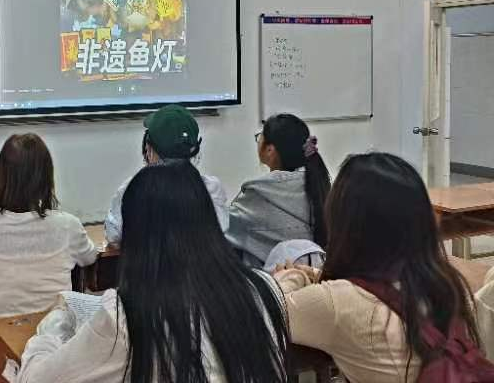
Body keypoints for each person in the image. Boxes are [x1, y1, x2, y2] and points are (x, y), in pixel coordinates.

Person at [18, 161, 289, 383]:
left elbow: (36, 379)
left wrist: (55, 324)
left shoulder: (128, 318)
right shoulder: (265, 290)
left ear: (137, 237)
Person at [274, 152, 481, 383]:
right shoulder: (446, 283)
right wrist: (315, 275)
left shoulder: (338, 304)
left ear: (346, 224)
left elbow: (267, 311)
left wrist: (290, 275)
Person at [0, 134, 99, 383]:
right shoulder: (67, 226)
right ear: (46, 179)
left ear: (0, 177)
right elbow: (89, 256)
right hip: (52, 362)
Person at [103, 104, 228, 244]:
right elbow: (222, 228)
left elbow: (113, 235)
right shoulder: (212, 189)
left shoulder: (132, 189)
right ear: (193, 150)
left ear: (149, 149)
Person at [227, 113, 330, 267]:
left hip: (274, 280)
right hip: (317, 276)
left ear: (270, 150)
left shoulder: (258, 194)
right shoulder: (320, 185)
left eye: (259, 137)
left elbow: (223, 229)